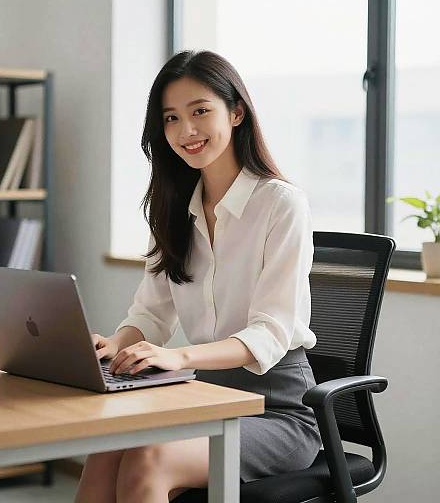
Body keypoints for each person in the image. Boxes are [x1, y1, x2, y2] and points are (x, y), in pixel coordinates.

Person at [75, 50, 321, 503]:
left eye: (200, 111)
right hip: (202, 399)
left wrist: (181, 358)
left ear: (237, 112)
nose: (185, 131)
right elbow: (149, 313)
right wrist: (116, 344)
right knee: (107, 448)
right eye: (170, 118)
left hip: (277, 411)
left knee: (148, 458)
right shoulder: (173, 211)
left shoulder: (280, 204)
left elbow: (269, 333)